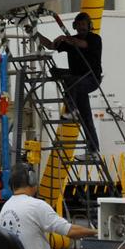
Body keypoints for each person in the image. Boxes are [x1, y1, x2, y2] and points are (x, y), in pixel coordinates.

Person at [41, 12, 103, 154]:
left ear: (89, 26)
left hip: (91, 79)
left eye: (84, 24)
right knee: (86, 116)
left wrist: (64, 37)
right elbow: (51, 45)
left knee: (70, 79)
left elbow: (83, 44)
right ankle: (93, 150)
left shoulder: (95, 39)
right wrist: (35, 34)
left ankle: (71, 109)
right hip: (77, 81)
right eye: (79, 25)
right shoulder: (71, 40)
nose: (81, 27)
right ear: (75, 26)